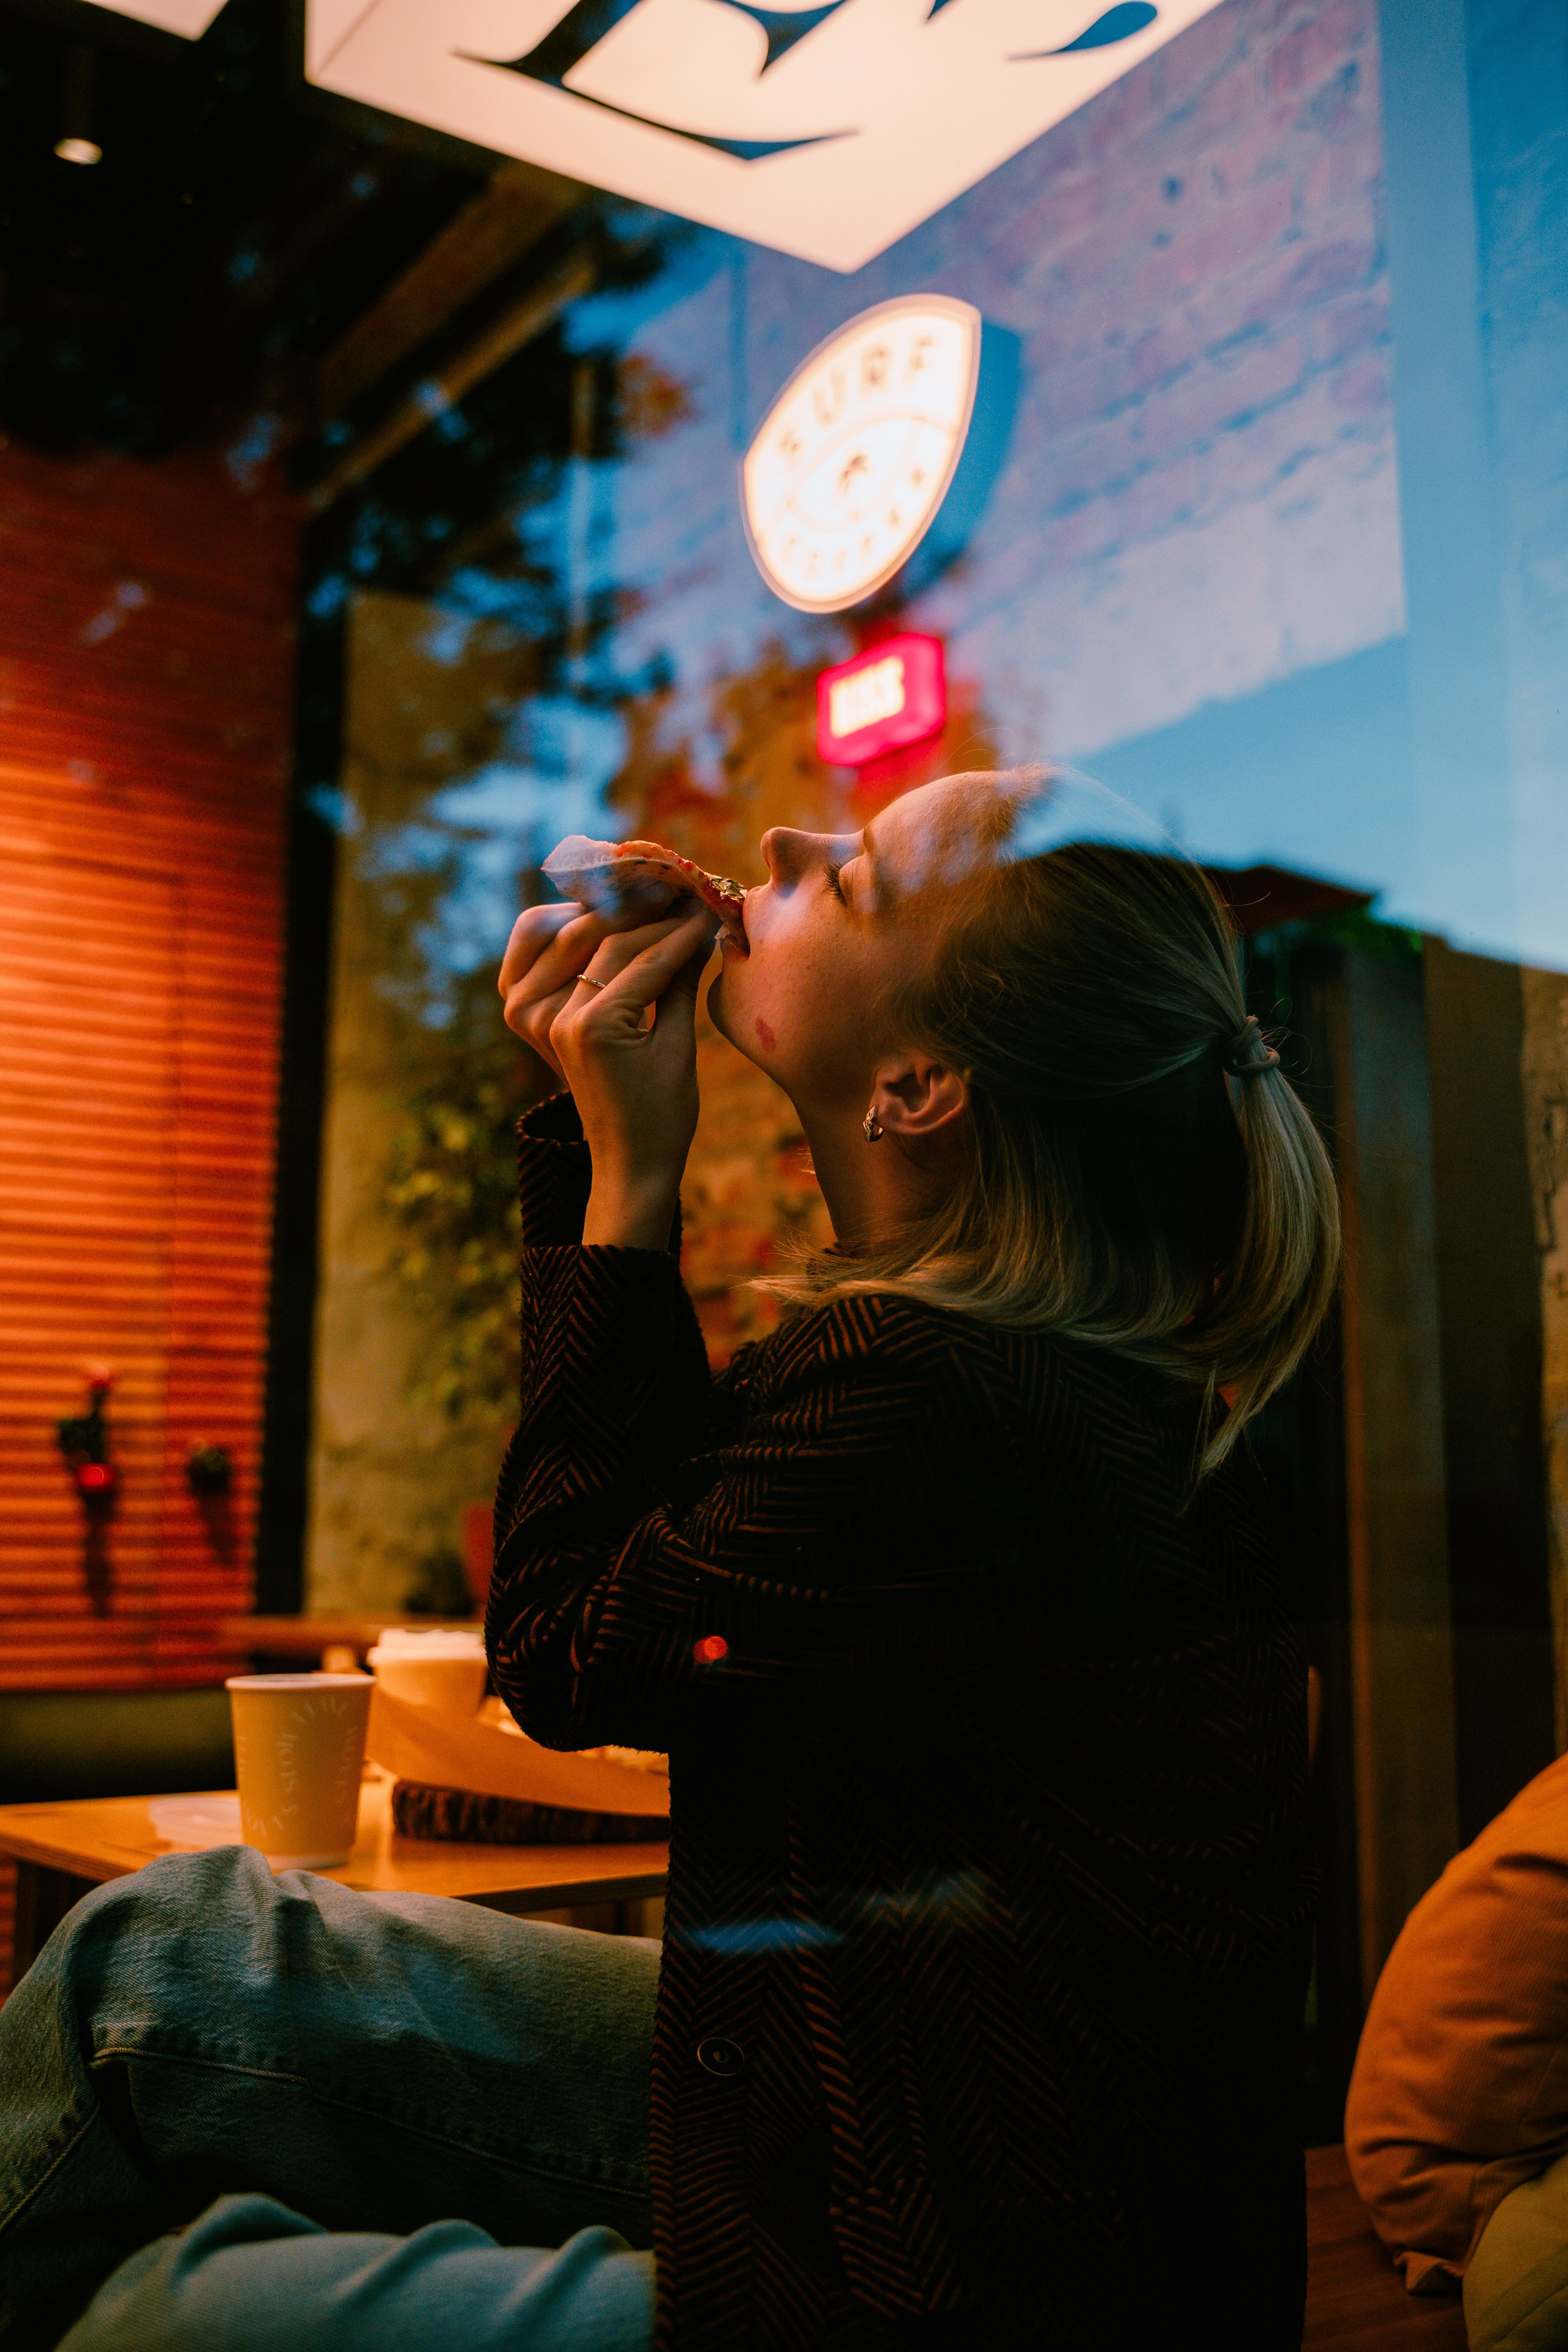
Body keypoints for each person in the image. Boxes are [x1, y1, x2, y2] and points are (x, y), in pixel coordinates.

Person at [0, 767, 1338, 2351]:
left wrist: (621, 1170)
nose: (782, 840)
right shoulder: (1049, 1375)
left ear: (913, 1088)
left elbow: (569, 1659)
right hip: (884, 2091)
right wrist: (597, 1143)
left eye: (851, 879)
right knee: (161, 1956)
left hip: (954, 2272)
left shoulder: (930, 1389)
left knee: (166, 2316)